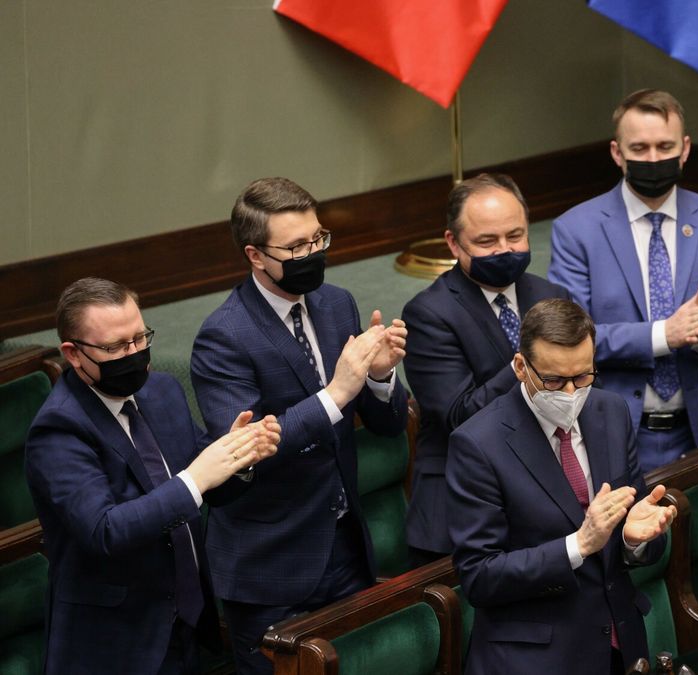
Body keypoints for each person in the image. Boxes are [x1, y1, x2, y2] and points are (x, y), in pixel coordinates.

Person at [190, 177, 410, 674]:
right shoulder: (223, 337)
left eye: (318, 240)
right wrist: (336, 393)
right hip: (272, 565)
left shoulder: (337, 304)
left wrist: (379, 377)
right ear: (255, 255)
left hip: (344, 547)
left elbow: (390, 424)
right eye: (295, 247)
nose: (312, 253)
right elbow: (241, 452)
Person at [25, 278, 280, 675]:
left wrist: (238, 458)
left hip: (187, 623)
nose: (135, 354)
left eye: (140, 338)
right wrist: (196, 477)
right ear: (73, 354)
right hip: (117, 645)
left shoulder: (162, 391)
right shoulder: (59, 430)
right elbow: (105, 530)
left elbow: (208, 486)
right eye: (115, 347)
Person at [447, 298, 676, 675]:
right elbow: (479, 576)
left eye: (583, 377)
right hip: (534, 659)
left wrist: (633, 540)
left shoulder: (611, 412)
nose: (570, 393)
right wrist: (579, 544)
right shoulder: (478, 444)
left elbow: (633, 529)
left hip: (620, 646)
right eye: (553, 380)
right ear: (521, 367)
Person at [549, 89, 698, 472]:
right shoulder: (576, 230)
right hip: (616, 429)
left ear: (684, 149)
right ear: (617, 153)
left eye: (664, 146)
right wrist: (662, 335)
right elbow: (569, 339)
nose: (654, 159)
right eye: (639, 148)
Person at [402, 173, 573, 568]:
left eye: (515, 236)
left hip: (542, 493)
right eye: (486, 241)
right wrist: (529, 362)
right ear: (453, 243)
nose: (505, 250)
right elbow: (460, 415)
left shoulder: (551, 296)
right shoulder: (428, 314)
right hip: (462, 510)